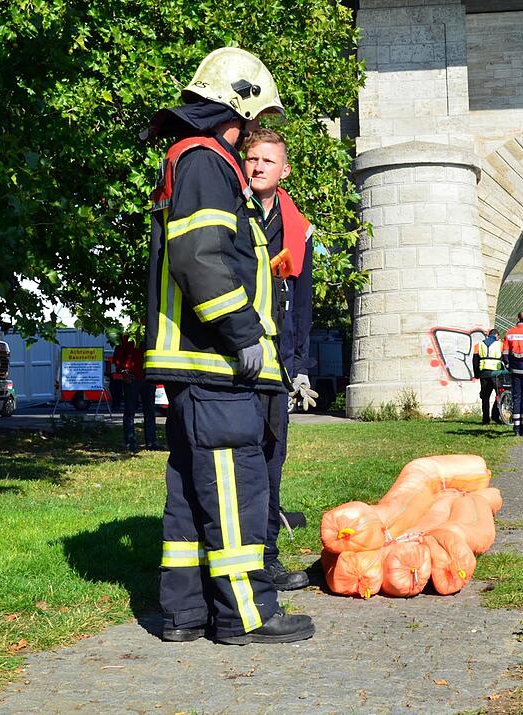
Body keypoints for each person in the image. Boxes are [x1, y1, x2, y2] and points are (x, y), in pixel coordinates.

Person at [140, 47, 314, 645]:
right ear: (234, 107)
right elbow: (201, 257)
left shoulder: (188, 159)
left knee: (191, 491)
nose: (247, 140)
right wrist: (242, 333)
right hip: (214, 363)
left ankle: (184, 614)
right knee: (238, 487)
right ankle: (246, 616)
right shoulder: (208, 162)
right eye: (248, 121)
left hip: (193, 364)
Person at [243, 128, 315, 591]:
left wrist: (301, 366)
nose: (258, 166)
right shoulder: (232, 212)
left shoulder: (296, 227)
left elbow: (302, 303)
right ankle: (239, 556)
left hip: (279, 363)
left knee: (272, 461)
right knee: (241, 460)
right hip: (240, 355)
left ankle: (267, 556)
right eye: (252, 158)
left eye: (268, 160)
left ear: (284, 170)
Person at [112, 333, 158, 451]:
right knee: (130, 411)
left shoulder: (152, 334)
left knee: (150, 411)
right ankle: (130, 442)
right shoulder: (127, 335)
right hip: (132, 378)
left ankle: (151, 442)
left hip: (148, 377)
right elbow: (117, 356)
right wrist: (123, 372)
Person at [473, 328, 502, 424]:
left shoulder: (478, 345)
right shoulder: (501, 345)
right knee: (499, 395)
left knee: (485, 397)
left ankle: (485, 419)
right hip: (496, 374)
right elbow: (505, 358)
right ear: (497, 335)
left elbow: (475, 361)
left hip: (484, 374)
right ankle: (495, 415)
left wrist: (477, 374)